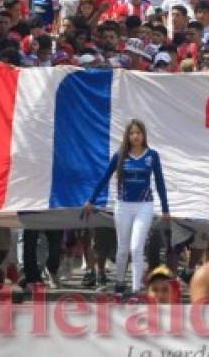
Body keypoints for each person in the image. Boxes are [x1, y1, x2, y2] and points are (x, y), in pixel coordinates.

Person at [83, 119, 170, 295]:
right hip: (123, 206)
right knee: (122, 249)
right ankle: (120, 283)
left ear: (144, 135)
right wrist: (91, 200)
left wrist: (165, 208)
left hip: (144, 205)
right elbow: (104, 178)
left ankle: (136, 289)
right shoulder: (120, 155)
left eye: (138, 132)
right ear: (127, 136)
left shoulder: (152, 155)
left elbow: (160, 183)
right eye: (132, 133)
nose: (135, 136)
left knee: (136, 248)